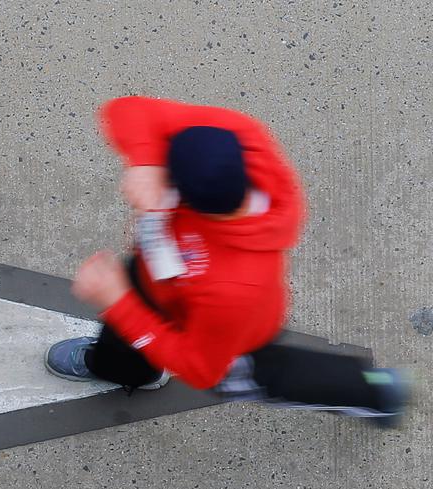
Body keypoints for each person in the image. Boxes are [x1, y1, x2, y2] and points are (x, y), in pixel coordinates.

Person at [45, 97, 408, 425]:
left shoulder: (236, 287)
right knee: (128, 321)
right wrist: (146, 163)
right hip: (157, 281)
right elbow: (130, 110)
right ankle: (127, 369)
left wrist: (118, 302)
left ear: (186, 199)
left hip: (228, 331)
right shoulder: (230, 136)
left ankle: (373, 393)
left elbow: (201, 369)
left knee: (265, 378)